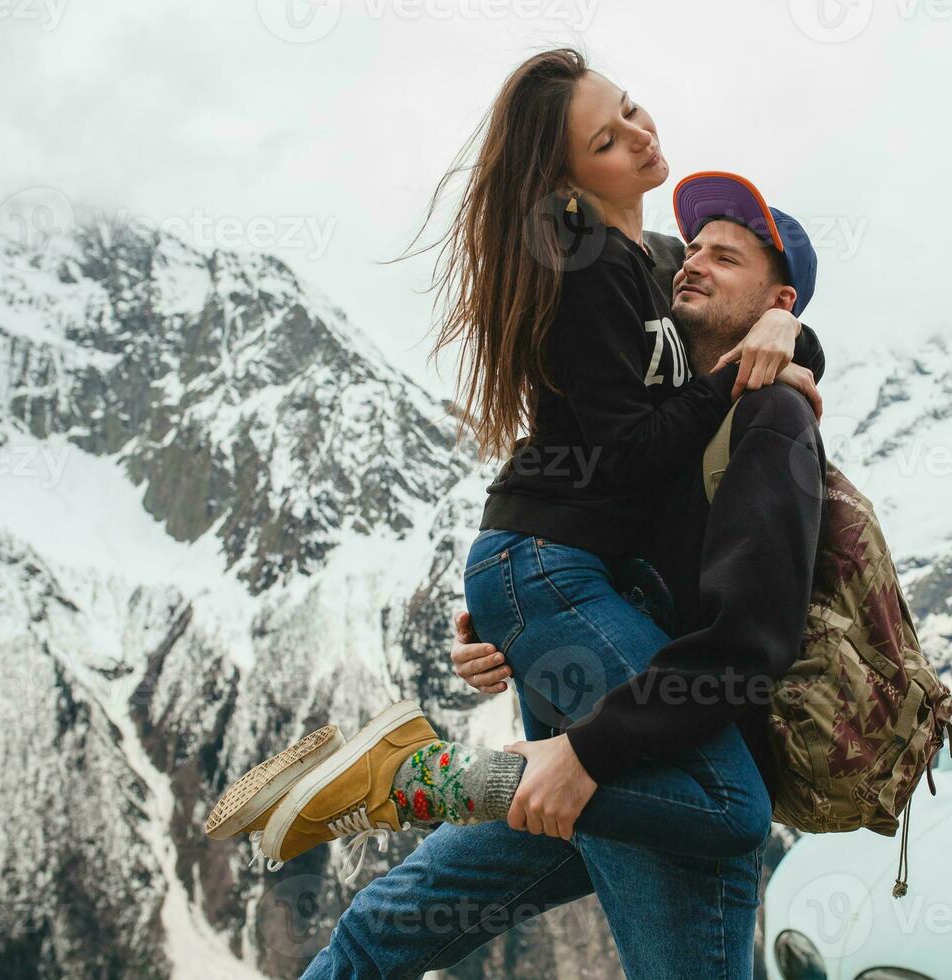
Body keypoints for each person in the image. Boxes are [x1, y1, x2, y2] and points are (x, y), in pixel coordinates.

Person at [298, 177, 829, 980]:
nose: (693, 265)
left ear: (778, 297)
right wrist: (514, 632)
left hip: (661, 757)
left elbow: (746, 638)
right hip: (610, 751)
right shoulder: (667, 411)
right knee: (381, 937)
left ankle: (419, 777)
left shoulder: (770, 419)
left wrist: (585, 754)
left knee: (392, 930)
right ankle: (412, 776)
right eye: (692, 252)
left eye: (726, 257)